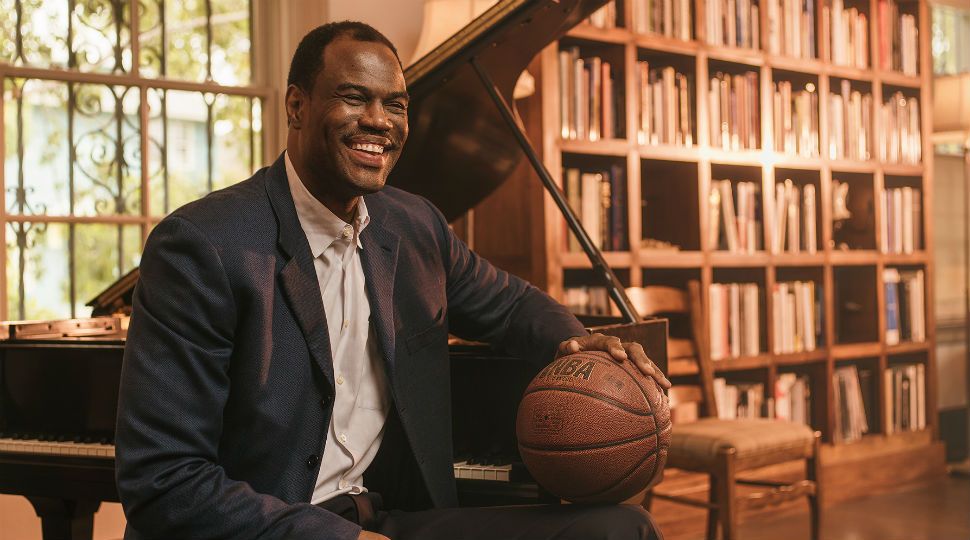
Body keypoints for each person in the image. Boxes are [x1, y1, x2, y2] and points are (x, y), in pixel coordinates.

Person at [115, 21, 671, 540]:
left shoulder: (414, 225)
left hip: (394, 517)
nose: (380, 120)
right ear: (297, 106)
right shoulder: (202, 245)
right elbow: (163, 481)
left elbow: (508, 304)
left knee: (620, 529)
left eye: (396, 104)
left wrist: (576, 345)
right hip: (278, 528)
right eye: (355, 97)